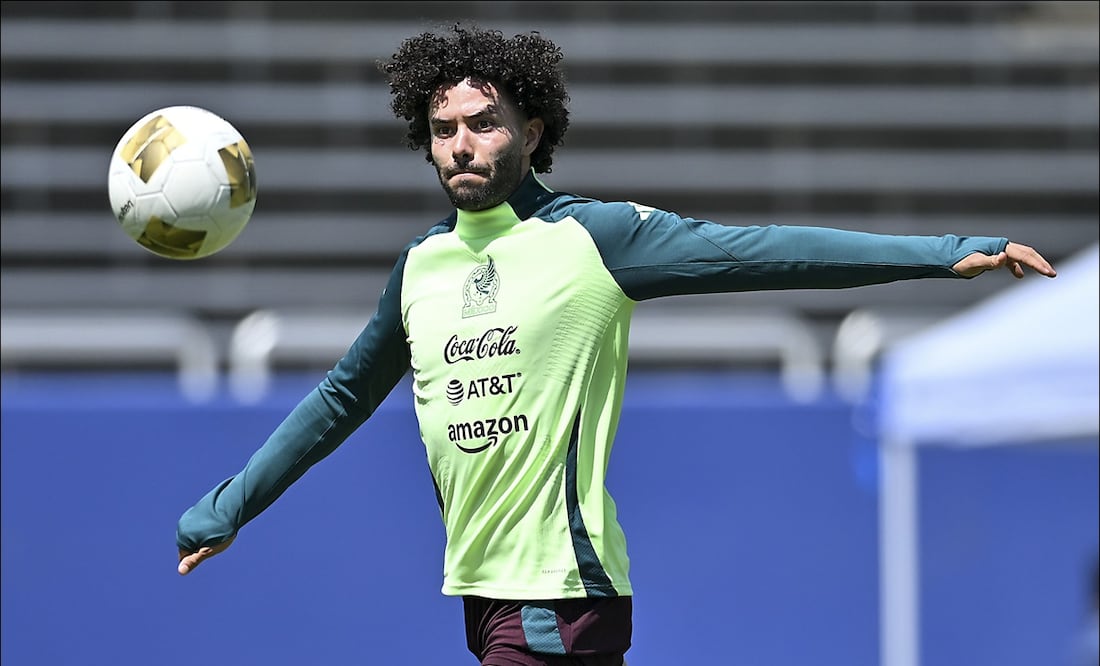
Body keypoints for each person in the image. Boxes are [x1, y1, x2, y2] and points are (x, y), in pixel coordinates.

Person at [176, 24, 1057, 666]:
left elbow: (762, 252)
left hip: (562, 592)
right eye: (443, 130)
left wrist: (942, 255)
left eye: (484, 122)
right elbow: (342, 398)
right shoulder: (422, 266)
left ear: (534, 131)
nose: (462, 146)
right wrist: (229, 506)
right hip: (483, 595)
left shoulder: (594, 238)